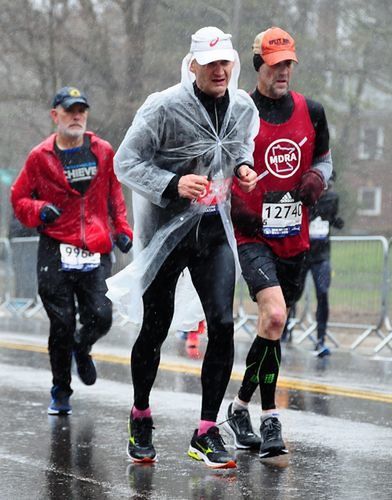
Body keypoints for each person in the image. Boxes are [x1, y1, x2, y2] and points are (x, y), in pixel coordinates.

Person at [106, 26, 259, 468]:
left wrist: (244, 167)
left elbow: (241, 144)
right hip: (167, 232)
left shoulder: (243, 106)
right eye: (209, 63)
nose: (218, 71)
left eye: (225, 63)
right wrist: (173, 183)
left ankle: (207, 430)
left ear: (232, 65)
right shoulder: (163, 107)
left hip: (213, 231)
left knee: (224, 324)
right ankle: (140, 414)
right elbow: (125, 162)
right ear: (192, 65)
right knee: (156, 328)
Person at [224, 27, 333, 458]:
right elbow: (219, 165)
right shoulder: (238, 111)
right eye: (276, 64)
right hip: (251, 235)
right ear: (259, 66)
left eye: (289, 63)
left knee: (273, 328)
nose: (284, 71)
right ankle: (271, 421)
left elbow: (325, 162)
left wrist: (315, 179)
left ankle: (239, 407)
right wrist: (239, 207)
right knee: (273, 315)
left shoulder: (313, 110)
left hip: (294, 236)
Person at [11, 86, 133, 416]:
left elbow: (114, 195)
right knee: (62, 322)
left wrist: (122, 229)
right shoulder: (40, 156)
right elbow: (19, 198)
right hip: (56, 247)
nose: (77, 115)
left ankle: (83, 346)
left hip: (93, 246)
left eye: (81, 110)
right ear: (56, 116)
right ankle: (61, 389)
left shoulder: (103, 151)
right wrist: (38, 210)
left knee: (101, 316)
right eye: (69, 110)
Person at [306, 171, 344, 357]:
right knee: (292, 293)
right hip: (302, 252)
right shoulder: (305, 196)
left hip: (321, 255)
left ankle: (321, 338)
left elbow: (333, 219)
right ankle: (286, 329)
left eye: (329, 183)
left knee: (322, 293)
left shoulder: (333, 198)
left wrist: (335, 221)